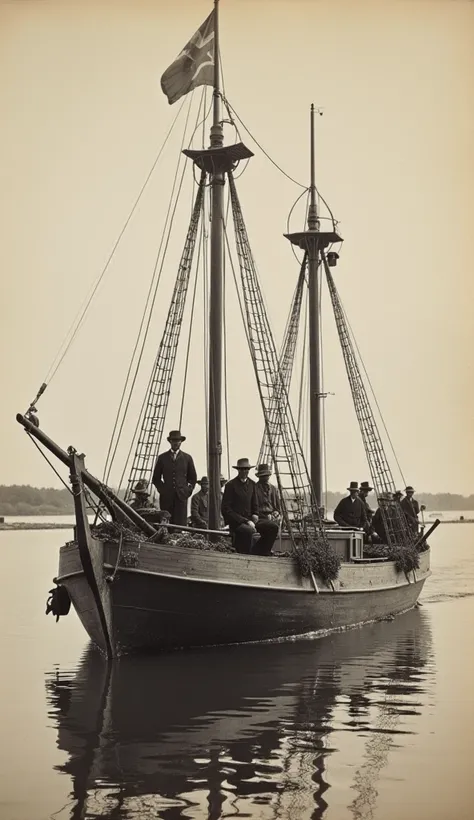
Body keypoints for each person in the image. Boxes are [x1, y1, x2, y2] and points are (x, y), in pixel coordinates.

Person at [221, 458, 279, 556]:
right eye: (242, 469)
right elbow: (226, 509)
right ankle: (246, 555)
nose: (244, 471)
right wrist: (245, 521)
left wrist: (255, 514)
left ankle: (260, 552)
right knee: (247, 531)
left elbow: (255, 504)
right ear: (238, 470)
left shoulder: (252, 484)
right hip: (237, 523)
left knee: (273, 527)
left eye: (246, 469)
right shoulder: (230, 485)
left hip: (251, 521)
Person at [152, 430, 197, 526]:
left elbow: (193, 478)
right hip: (166, 498)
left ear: (181, 442)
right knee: (166, 523)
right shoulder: (162, 458)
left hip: (181, 497)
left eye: (178, 441)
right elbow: (156, 478)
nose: (176, 443)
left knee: (180, 525)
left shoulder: (187, 458)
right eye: (174, 440)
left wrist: (187, 491)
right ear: (170, 442)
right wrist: (163, 490)